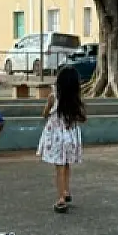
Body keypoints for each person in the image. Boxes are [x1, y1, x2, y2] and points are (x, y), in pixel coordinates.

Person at [37, 67, 86, 213]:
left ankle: (60, 199)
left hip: (57, 138)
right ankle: (66, 190)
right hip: (70, 138)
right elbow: (82, 118)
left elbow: (45, 114)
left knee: (59, 168)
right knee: (66, 165)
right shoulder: (75, 100)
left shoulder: (53, 97)